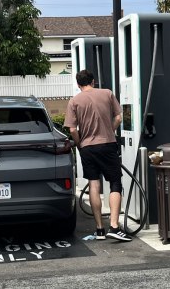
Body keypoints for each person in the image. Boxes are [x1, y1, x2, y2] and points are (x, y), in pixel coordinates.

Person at [64, 69, 131, 242]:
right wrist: (110, 130)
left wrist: (79, 144)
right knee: (115, 181)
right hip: (107, 144)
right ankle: (114, 227)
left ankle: (100, 230)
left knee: (94, 185)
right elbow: (118, 117)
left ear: (79, 85)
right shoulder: (107, 93)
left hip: (87, 147)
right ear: (93, 81)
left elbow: (72, 129)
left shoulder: (74, 101)